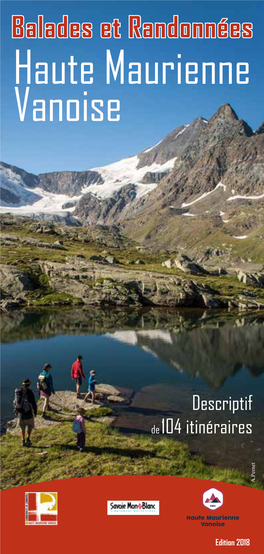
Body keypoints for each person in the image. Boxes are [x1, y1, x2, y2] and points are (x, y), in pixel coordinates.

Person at [13, 378, 37, 447]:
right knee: (30, 427)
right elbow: (33, 404)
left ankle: (23, 441)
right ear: (29, 384)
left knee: (22, 428)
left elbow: (15, 402)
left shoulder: (18, 392)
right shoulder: (30, 392)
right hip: (28, 414)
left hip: (20, 414)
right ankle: (28, 439)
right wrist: (35, 412)